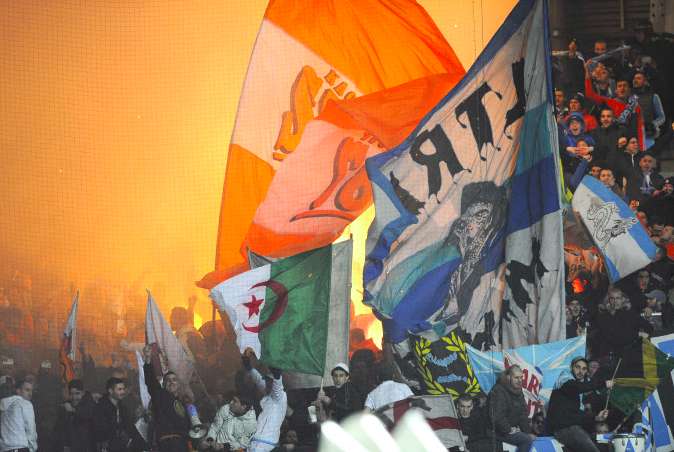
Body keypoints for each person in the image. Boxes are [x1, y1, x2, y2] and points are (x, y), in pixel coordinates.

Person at [547, 357, 614, 452]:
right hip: (564, 429)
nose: (580, 371)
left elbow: (578, 414)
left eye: (584, 369)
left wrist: (596, 417)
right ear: (571, 368)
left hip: (571, 429)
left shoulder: (577, 391)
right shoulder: (565, 379)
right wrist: (603, 384)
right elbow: (576, 387)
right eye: (577, 367)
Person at [142, 344, 190, 452]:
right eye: (168, 380)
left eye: (174, 380)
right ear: (163, 385)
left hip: (183, 444)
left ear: (179, 384)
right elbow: (151, 381)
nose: (171, 382)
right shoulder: (161, 396)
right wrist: (148, 360)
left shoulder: (184, 403)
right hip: (167, 444)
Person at [242, 349, 287, 452]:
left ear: (274, 382)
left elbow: (277, 374)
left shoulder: (279, 396)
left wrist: (264, 355)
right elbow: (256, 377)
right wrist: (246, 360)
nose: (267, 383)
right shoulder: (267, 389)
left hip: (266, 445)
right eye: (266, 380)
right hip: (254, 442)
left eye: (270, 381)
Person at [487, 365, 535, 452]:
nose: (519, 380)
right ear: (508, 377)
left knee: (530, 437)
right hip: (496, 432)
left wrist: (527, 432)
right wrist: (508, 429)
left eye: (521, 377)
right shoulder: (498, 391)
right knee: (526, 440)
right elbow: (497, 417)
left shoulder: (518, 391)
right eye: (516, 378)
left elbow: (522, 414)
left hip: (508, 429)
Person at [94, 377, 139, 452]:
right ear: (110, 391)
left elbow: (130, 427)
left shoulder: (122, 408)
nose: (123, 392)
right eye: (119, 389)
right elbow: (101, 431)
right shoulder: (101, 407)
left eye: (123, 389)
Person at [53, 379, 96, 452]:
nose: (74, 397)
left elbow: (88, 414)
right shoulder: (66, 406)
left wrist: (73, 410)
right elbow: (60, 430)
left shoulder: (89, 404)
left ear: (83, 393)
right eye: (71, 394)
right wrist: (65, 445)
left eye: (77, 393)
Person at [0, 379, 37, 452]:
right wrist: (33, 448)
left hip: (4, 448)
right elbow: (30, 428)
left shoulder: (3, 404)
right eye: (27, 390)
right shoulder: (25, 404)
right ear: (18, 391)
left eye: (31, 391)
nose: (30, 393)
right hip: (20, 447)